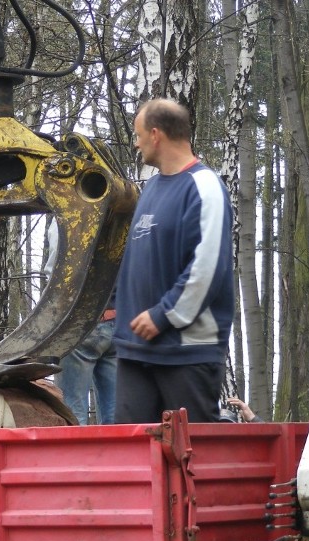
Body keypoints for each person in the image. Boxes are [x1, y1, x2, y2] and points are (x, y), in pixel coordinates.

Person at [113, 98, 234, 424]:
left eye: (138, 134)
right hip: (135, 350)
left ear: (156, 134)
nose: (135, 142)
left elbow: (207, 267)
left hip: (186, 352)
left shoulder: (205, 186)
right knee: (134, 462)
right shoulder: (150, 188)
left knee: (192, 462)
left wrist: (163, 315)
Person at [54, 295, 117, 425]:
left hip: (79, 321)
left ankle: (75, 445)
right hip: (118, 322)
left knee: (72, 414)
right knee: (114, 417)